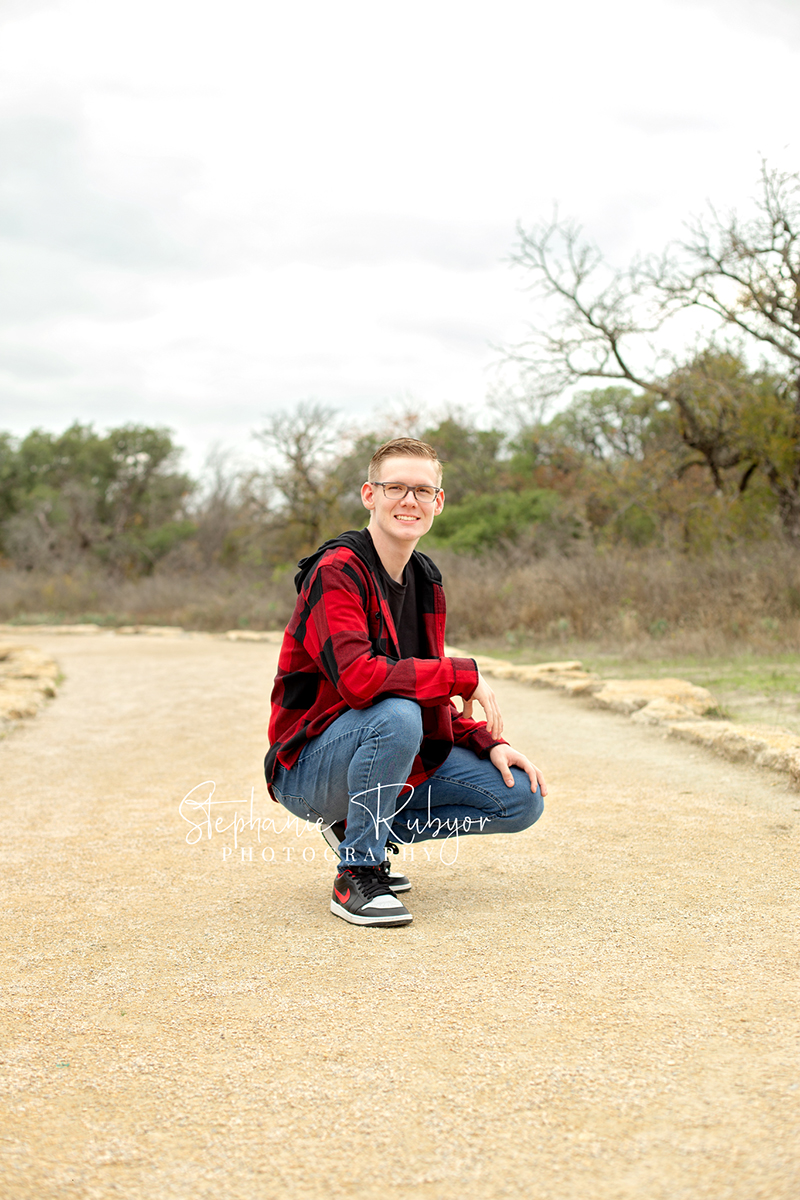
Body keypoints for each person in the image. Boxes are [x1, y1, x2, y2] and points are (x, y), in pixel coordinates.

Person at [265, 437, 547, 926]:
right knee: (395, 713)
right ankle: (357, 871)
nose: (408, 500)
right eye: (395, 487)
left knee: (521, 796)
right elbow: (361, 682)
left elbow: (421, 686)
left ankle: (359, 830)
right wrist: (464, 674)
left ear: (438, 502)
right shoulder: (337, 572)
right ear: (369, 495)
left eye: (422, 490)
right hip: (307, 768)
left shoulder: (425, 580)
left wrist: (485, 742)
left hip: (374, 750)